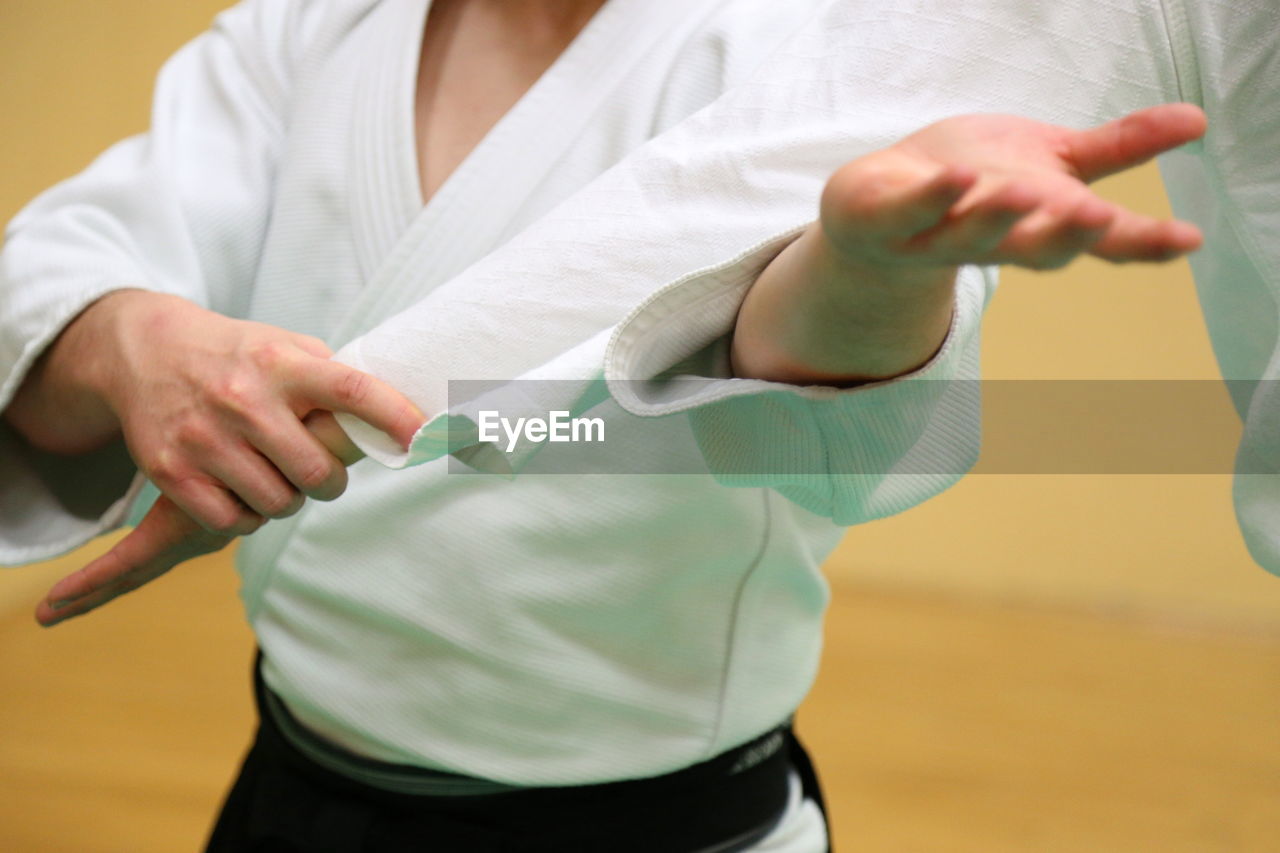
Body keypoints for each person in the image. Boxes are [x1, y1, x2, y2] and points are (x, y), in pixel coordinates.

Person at [0, 0, 1273, 850]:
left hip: (668, 823)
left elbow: (780, 378)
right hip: (293, 790)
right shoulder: (316, 26)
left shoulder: (812, 46)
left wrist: (869, 267)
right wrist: (122, 337)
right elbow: (70, 271)